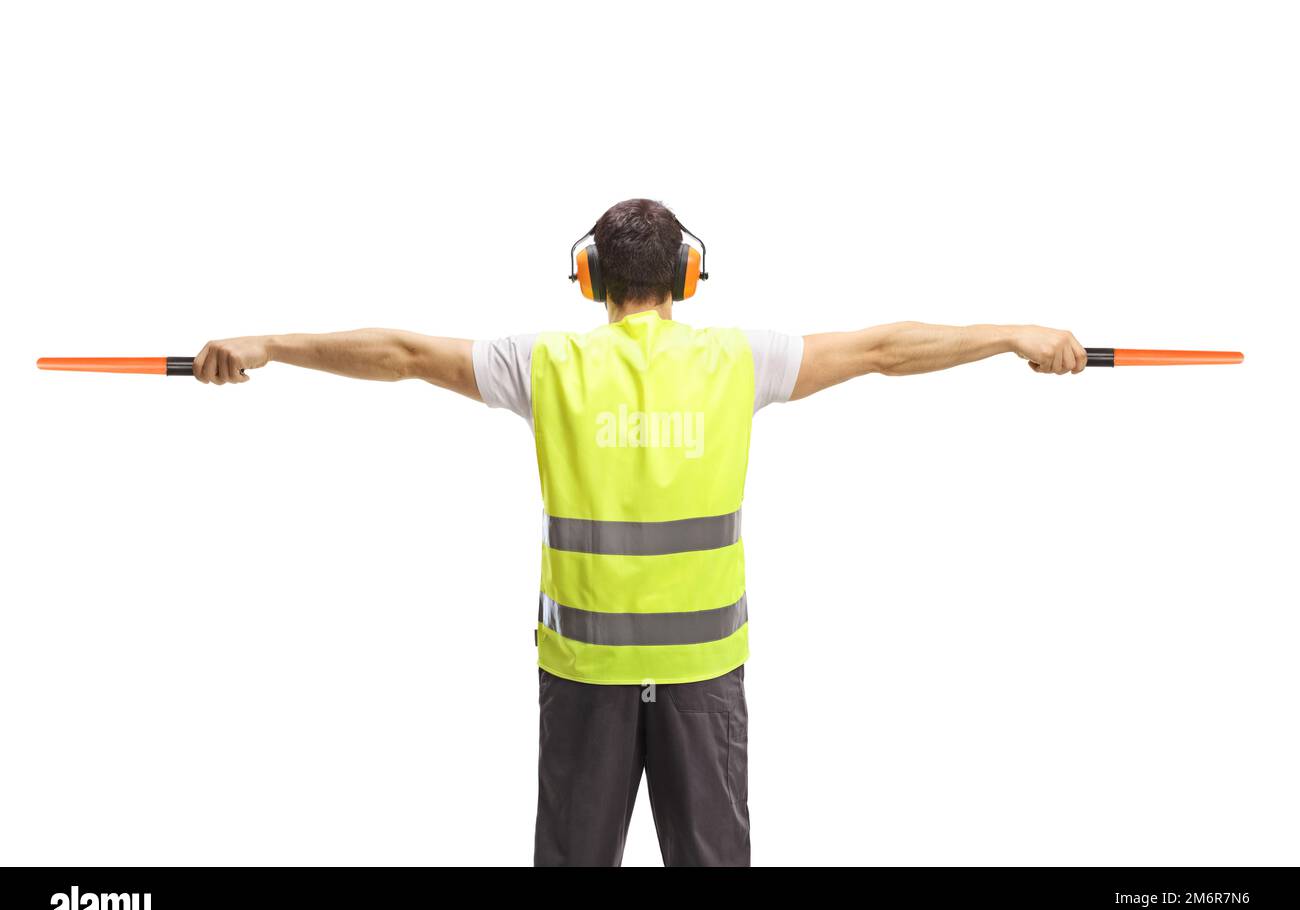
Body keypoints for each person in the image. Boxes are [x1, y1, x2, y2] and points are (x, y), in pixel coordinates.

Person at [192, 198, 1088, 867]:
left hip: (586, 676)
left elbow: (401, 355)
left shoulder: (546, 365)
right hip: (704, 675)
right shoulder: (739, 361)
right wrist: (1015, 335)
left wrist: (269, 346)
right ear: (686, 277)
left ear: (591, 278)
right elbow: (886, 349)